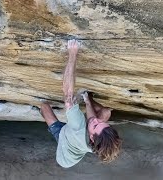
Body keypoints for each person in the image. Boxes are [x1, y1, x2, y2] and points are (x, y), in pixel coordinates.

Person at [40, 39, 122, 168]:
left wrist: (72, 53)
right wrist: (87, 101)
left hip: (65, 153)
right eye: (102, 123)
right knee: (106, 113)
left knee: (44, 106)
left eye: (96, 126)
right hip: (78, 141)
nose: (97, 121)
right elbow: (94, 121)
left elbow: (68, 93)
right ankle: (88, 97)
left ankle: (43, 111)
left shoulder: (78, 127)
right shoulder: (99, 142)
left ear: (92, 138)